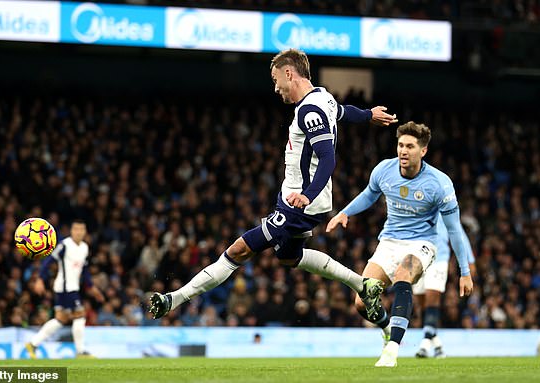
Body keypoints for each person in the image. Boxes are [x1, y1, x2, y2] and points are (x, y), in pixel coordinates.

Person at [149, 48, 398, 322]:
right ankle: (363, 285)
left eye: (275, 79)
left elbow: (328, 159)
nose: (276, 87)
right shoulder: (323, 98)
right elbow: (342, 112)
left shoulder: (309, 109)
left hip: (299, 205)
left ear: (289, 73)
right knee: (290, 257)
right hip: (298, 199)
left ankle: (174, 299)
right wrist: (368, 114)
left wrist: (307, 195)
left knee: (238, 250)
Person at [326, 121, 474, 367]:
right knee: (362, 302)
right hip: (389, 241)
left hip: (422, 244)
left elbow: (454, 229)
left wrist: (465, 272)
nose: (403, 151)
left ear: (423, 151)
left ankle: (392, 350)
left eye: (410, 146)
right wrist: (344, 213)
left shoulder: (439, 184)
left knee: (404, 275)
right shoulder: (384, 170)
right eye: (400, 145)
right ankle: (386, 328)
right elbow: (369, 194)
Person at [25, 219, 104, 359]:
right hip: (65, 288)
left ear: (85, 232)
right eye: (76, 229)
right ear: (72, 231)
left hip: (71, 288)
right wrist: (40, 279)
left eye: (81, 230)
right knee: (80, 316)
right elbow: (48, 261)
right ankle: (80, 351)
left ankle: (33, 344)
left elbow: (84, 270)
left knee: (61, 319)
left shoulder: (84, 248)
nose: (79, 232)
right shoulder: (65, 245)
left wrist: (92, 287)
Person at [413, 214, 475, 358]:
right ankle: (437, 344)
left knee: (432, 297)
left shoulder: (444, 207)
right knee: (422, 304)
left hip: (439, 259)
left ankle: (424, 345)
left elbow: (458, 232)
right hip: (417, 260)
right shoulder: (417, 205)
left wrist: (469, 259)